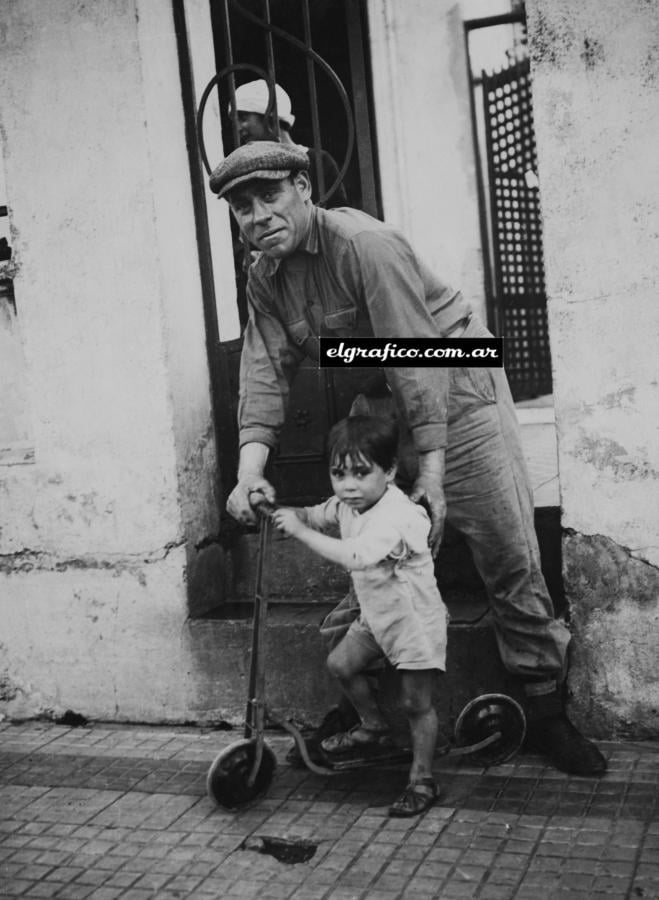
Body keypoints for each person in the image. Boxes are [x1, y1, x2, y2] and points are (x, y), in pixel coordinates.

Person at [209, 140, 607, 778]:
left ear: (304, 188)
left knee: (504, 547)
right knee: (372, 538)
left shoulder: (365, 246)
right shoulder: (265, 278)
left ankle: (545, 709)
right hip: (380, 385)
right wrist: (250, 471)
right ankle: (373, 711)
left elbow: (419, 357)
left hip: (454, 366)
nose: (257, 216)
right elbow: (262, 374)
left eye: (270, 195)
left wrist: (433, 474)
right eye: (241, 206)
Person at [270, 415, 447, 816]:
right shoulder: (350, 504)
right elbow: (316, 514)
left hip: (413, 623)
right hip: (378, 617)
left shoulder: (397, 515)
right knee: (341, 664)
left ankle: (422, 779)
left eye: (361, 473)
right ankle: (373, 728)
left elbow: (358, 555)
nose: (348, 485)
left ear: (390, 471)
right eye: (338, 474)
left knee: (415, 701)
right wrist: (284, 514)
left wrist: (300, 533)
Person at [230, 79, 348, 208]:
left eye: (243, 117)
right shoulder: (249, 169)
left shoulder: (320, 161)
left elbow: (340, 216)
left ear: (269, 115)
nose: (238, 128)